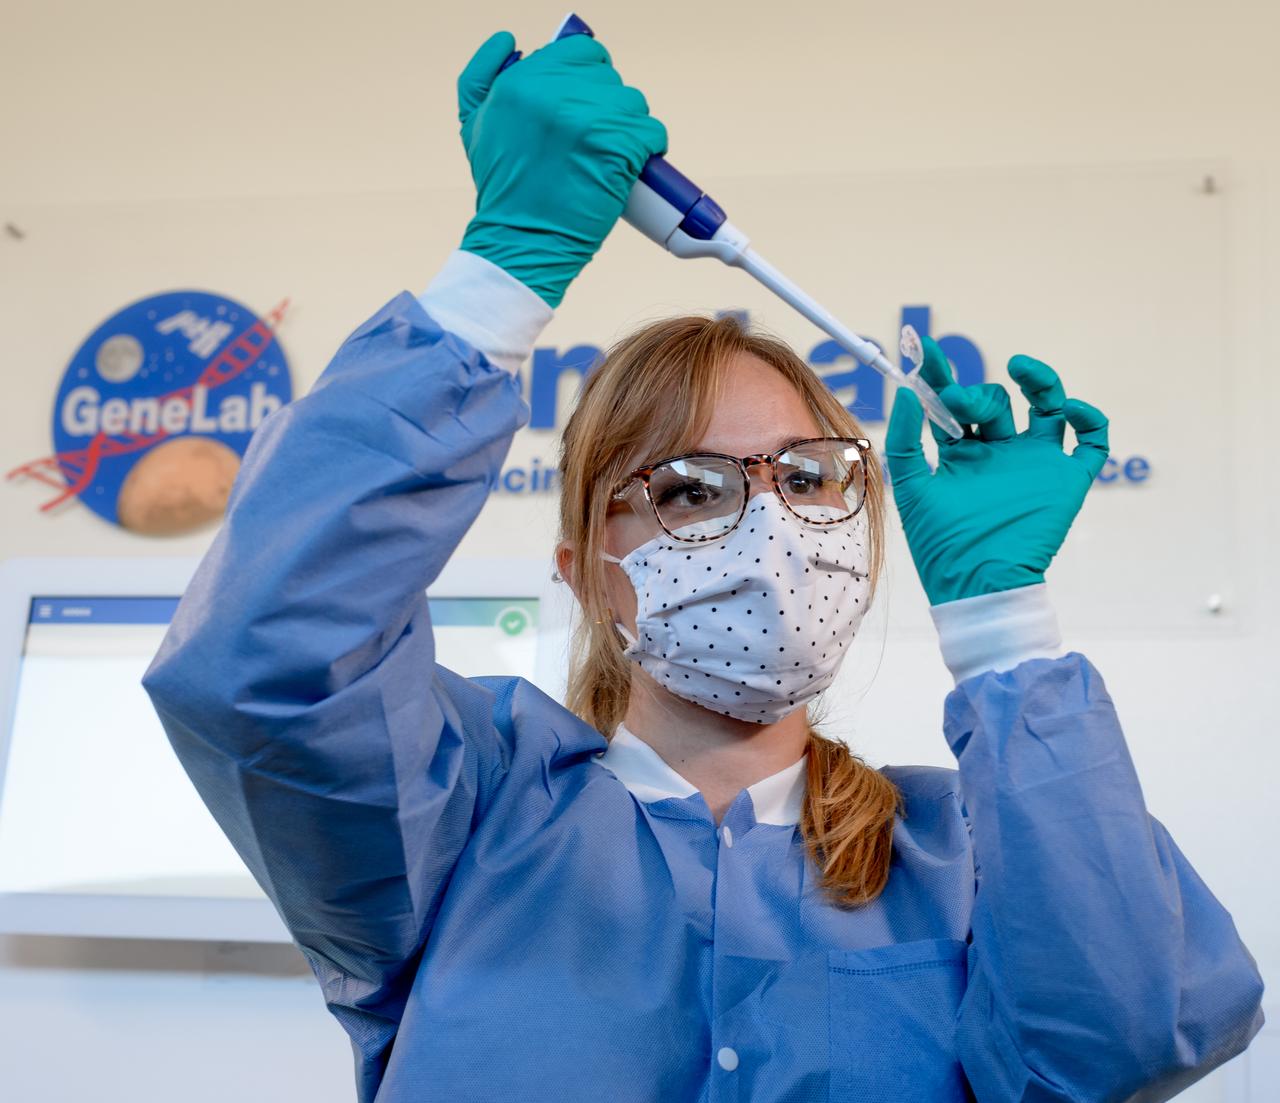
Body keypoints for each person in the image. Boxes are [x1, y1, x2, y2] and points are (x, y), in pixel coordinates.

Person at [142, 29, 1264, 1103]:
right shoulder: (459, 815)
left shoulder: (965, 846)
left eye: (805, 478)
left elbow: (1115, 1048)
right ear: (586, 568)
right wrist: (494, 280)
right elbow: (260, 662)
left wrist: (1002, 628)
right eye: (689, 488)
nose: (767, 524)